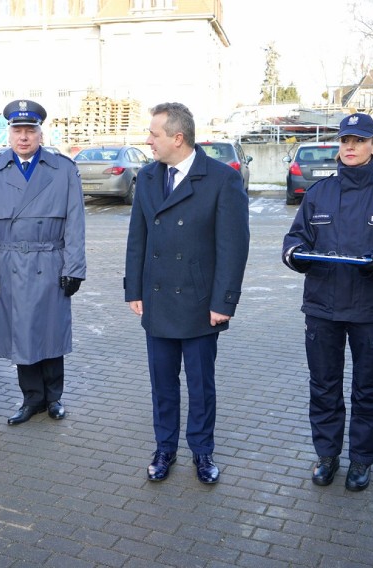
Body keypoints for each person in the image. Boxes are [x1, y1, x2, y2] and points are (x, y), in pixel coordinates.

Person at [282, 113, 373, 491]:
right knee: (324, 386)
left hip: (370, 313)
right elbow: (294, 241)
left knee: (367, 389)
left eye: (359, 141)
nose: (350, 147)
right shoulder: (318, 194)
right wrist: (295, 255)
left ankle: (361, 459)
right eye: (345, 141)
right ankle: (327, 456)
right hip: (322, 310)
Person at [125, 102, 249, 484]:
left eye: (154, 134)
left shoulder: (220, 179)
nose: (148, 140)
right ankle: (165, 449)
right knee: (162, 385)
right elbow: (138, 238)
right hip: (158, 300)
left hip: (199, 303)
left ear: (177, 138)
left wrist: (223, 302)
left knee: (200, 386)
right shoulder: (147, 178)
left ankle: (202, 451)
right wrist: (134, 288)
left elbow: (233, 246)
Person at [0, 100, 86, 425]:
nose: (23, 137)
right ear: (9, 134)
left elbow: (75, 223)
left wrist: (74, 268)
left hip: (50, 261)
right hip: (10, 266)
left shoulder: (62, 169)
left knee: (50, 331)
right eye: (17, 130)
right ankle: (31, 398)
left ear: (40, 133)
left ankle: (54, 398)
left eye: (30, 131)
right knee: (21, 334)